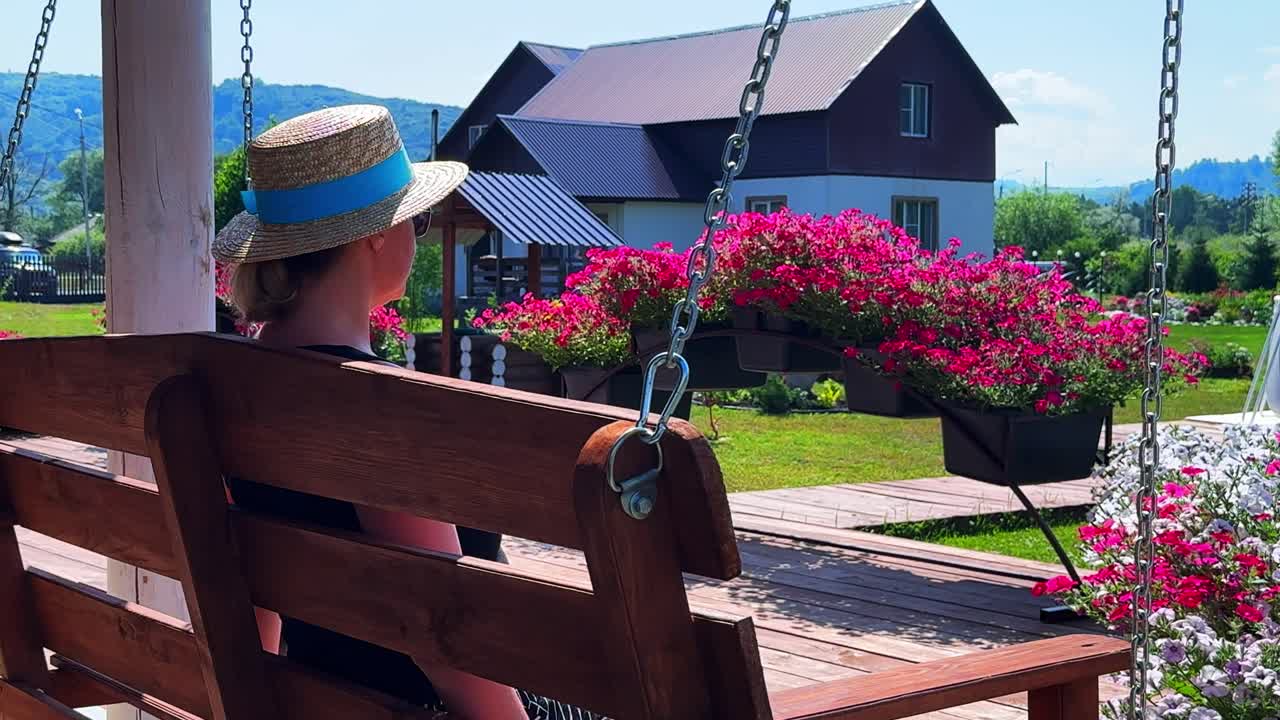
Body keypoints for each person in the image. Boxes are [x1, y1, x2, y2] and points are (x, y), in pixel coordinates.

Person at [214, 104, 602, 720]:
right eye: (415, 223)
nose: (416, 240)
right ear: (374, 233)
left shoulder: (236, 385)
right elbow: (444, 634)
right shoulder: (376, 410)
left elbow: (251, 588)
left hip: (316, 697)